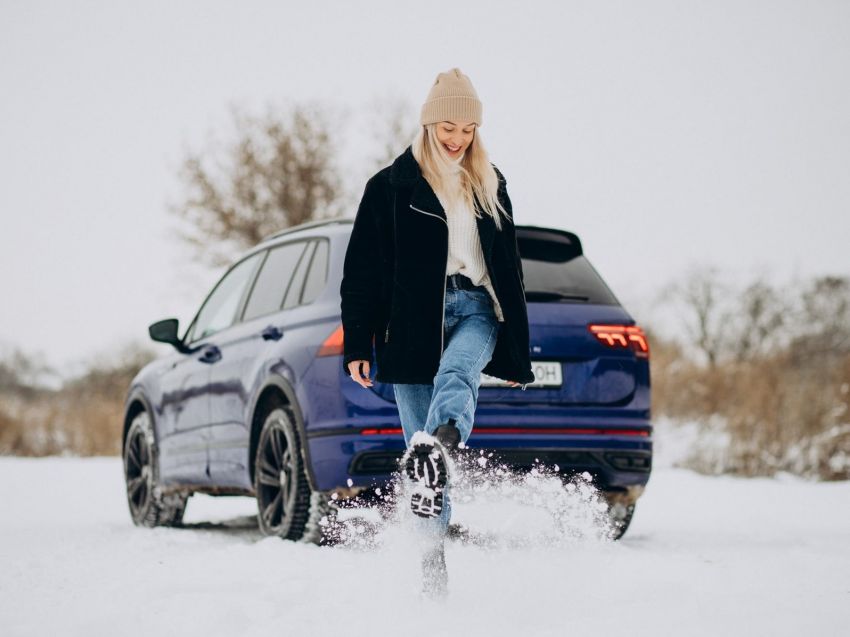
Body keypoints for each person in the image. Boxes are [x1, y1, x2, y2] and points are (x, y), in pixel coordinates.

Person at [339, 67, 535, 595]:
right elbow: (362, 271)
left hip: (474, 308)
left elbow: (508, 270)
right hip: (409, 324)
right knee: (421, 462)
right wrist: (358, 341)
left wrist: (516, 348)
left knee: (454, 378)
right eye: (448, 126)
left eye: (468, 129)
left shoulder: (490, 183)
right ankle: (432, 570)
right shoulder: (390, 188)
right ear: (428, 124)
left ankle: (448, 434)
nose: (457, 139)